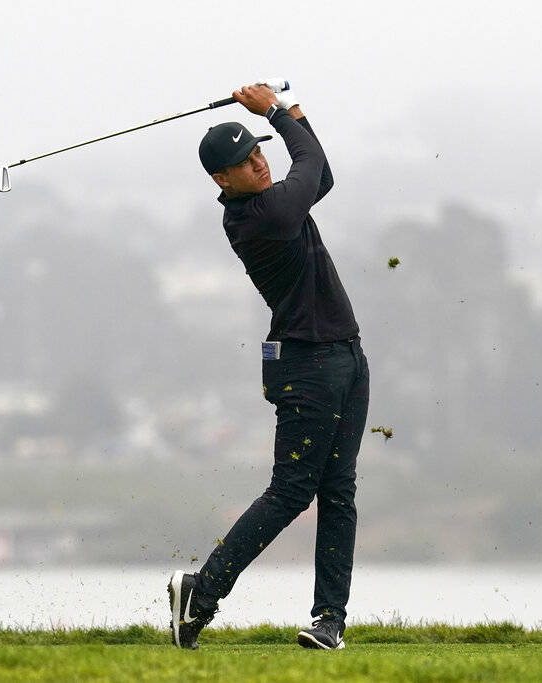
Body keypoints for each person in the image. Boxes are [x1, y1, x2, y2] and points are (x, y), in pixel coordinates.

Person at [167, 82, 369, 650]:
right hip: (307, 366)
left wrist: (297, 114)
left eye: (258, 153)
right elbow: (307, 165)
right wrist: (279, 113)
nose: (259, 163)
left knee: (339, 492)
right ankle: (200, 594)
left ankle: (329, 621)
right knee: (290, 492)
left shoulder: (276, 200)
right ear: (221, 180)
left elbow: (319, 174)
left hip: (345, 357)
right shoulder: (261, 215)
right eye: (245, 162)